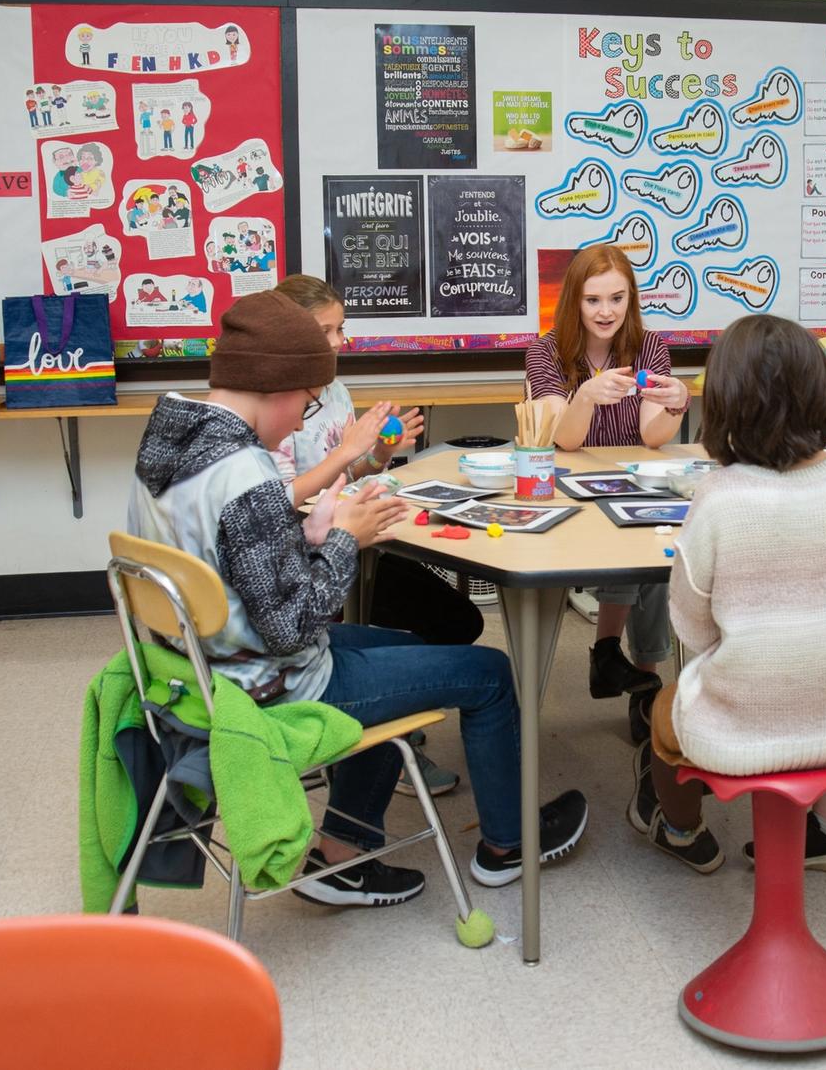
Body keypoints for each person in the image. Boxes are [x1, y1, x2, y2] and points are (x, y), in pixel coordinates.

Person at [128, 291, 588, 905]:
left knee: (404, 646)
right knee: (491, 672)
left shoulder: (166, 445)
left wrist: (309, 533)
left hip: (199, 669)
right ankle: (508, 845)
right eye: (304, 400)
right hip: (270, 683)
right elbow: (292, 627)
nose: (301, 420)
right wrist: (345, 539)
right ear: (274, 387)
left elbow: (230, 558)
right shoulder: (247, 475)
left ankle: (344, 852)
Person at [628, 315, 826, 874]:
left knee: (664, 711)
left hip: (736, 734)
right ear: (821, 392)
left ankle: (682, 830)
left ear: (725, 400)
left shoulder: (719, 498)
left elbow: (693, 630)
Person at [269, 274, 483, 796]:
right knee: (434, 629)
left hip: (358, 544)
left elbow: (353, 473)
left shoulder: (336, 389)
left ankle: (393, 728)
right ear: (292, 335)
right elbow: (278, 497)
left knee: (459, 617)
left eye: (341, 329)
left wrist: (381, 452)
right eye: (326, 331)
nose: (339, 342)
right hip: (317, 564)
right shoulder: (275, 403)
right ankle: (384, 737)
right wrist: (348, 457)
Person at [525, 244, 690, 743]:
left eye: (617, 298)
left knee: (660, 552)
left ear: (631, 299)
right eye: (594, 300)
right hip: (569, 492)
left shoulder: (647, 346)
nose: (606, 312)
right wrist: (585, 397)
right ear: (574, 300)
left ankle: (633, 676)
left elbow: (652, 435)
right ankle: (641, 681)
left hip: (626, 482)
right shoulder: (547, 351)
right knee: (641, 547)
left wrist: (679, 405)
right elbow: (563, 439)